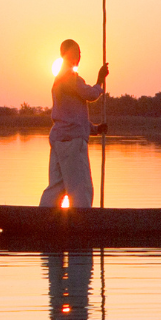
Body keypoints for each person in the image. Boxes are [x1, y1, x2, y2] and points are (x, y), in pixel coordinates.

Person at [39, 38, 108, 208]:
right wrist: (100, 81)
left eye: (80, 52)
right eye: (76, 52)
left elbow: (72, 115)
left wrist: (95, 129)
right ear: (68, 54)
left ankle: (43, 216)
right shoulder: (70, 78)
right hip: (71, 141)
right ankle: (82, 221)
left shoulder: (60, 79)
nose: (79, 56)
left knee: (57, 186)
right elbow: (91, 94)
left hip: (59, 139)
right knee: (81, 187)